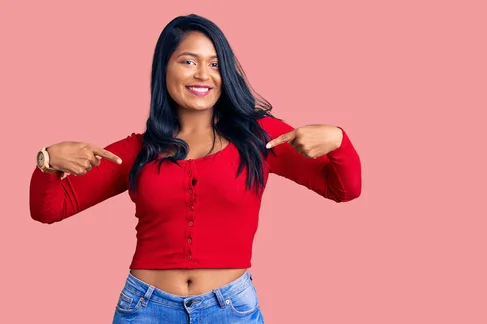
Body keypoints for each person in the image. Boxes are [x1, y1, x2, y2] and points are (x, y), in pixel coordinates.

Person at [29, 14, 361, 323]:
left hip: (231, 309)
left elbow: (343, 189)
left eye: (215, 64)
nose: (202, 74)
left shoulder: (260, 139)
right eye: (188, 61)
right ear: (164, 68)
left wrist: (339, 140)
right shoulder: (137, 151)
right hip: (145, 309)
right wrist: (47, 162)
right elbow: (50, 209)